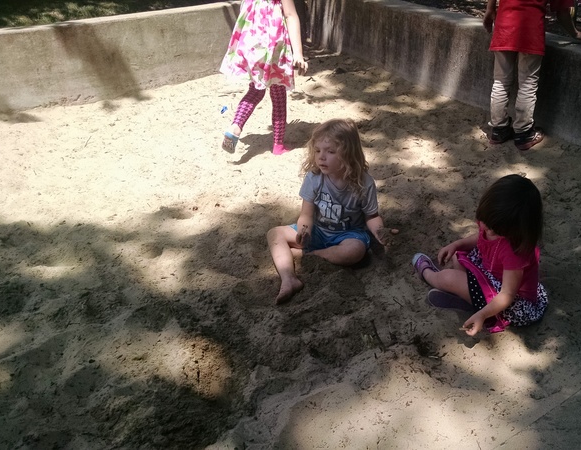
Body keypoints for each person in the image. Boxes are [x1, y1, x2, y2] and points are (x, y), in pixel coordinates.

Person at [267, 119, 390, 304]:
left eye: (331, 152)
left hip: (348, 235)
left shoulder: (364, 183)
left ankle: (309, 256)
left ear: (349, 155)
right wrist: (304, 230)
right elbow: (306, 215)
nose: (321, 157)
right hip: (318, 231)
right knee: (275, 233)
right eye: (317, 151)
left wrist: (380, 231)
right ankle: (288, 278)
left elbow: (371, 216)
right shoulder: (314, 178)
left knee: (355, 251)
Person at [411, 174, 548, 336]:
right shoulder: (494, 224)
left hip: (513, 304)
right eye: (486, 225)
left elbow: (507, 295)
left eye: (495, 232)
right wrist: (457, 244)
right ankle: (468, 300)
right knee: (458, 255)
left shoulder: (514, 251)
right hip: (492, 277)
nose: (488, 231)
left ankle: (428, 274)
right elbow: (481, 238)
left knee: (448, 277)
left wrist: (482, 316)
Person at [483, 0, 581, 150]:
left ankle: (499, 130)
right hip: (530, 31)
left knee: (501, 81)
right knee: (527, 84)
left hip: (504, 26)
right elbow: (562, 12)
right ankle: (524, 133)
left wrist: (490, 9)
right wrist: (575, 33)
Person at [219, 0, 308, 155]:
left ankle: (235, 127)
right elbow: (290, 15)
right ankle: (278, 145)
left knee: (256, 90)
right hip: (274, 45)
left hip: (252, 44)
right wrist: (298, 53)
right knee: (278, 92)